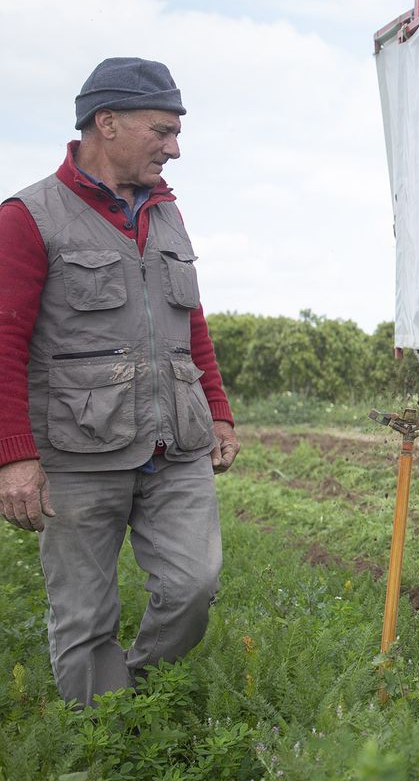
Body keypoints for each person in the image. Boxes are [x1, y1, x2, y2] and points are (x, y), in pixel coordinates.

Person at [0, 57, 240, 706]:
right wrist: (14, 455)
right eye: (162, 131)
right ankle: (109, 742)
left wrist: (217, 409)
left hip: (176, 444)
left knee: (194, 585)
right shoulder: (28, 216)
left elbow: (190, 320)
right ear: (106, 124)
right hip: (77, 453)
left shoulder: (166, 213)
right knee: (84, 616)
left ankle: (133, 697)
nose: (174, 148)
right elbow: (4, 342)